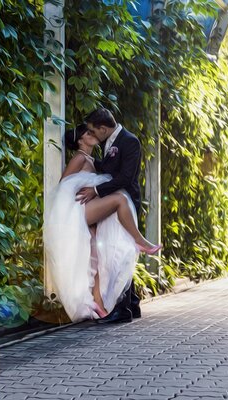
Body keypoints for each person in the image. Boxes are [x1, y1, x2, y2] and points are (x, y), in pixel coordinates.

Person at [43, 123, 160, 323]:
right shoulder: (80, 158)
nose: (93, 134)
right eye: (88, 133)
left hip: (87, 211)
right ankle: (140, 240)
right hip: (77, 210)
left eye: (92, 130)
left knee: (95, 258)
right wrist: (72, 209)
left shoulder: (93, 161)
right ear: (80, 141)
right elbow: (63, 186)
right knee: (120, 199)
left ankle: (98, 303)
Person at [76, 108, 154, 323]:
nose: (92, 134)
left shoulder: (130, 141)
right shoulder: (108, 141)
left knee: (120, 252)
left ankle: (122, 310)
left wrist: (96, 191)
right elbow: (109, 168)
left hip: (125, 202)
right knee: (117, 251)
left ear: (103, 128)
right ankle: (132, 303)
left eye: (94, 130)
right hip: (112, 202)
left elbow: (126, 177)